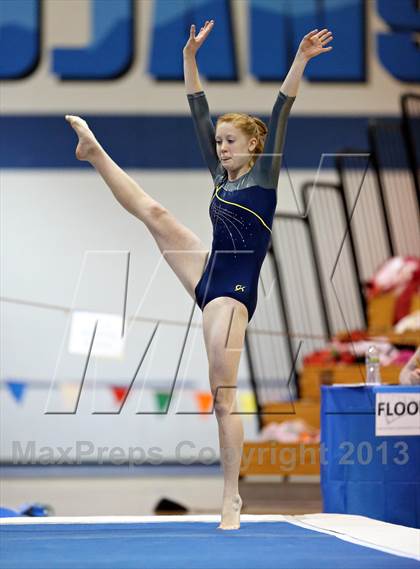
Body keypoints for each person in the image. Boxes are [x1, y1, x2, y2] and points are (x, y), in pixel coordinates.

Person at [65, 21, 333, 530]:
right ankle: (94, 152)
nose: (222, 147)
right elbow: (197, 107)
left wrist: (300, 60)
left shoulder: (265, 174)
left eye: (231, 141)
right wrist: (189, 56)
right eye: (219, 142)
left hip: (232, 297)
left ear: (255, 146)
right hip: (209, 271)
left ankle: (231, 496)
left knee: (223, 397)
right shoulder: (220, 176)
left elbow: (282, 110)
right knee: (157, 213)